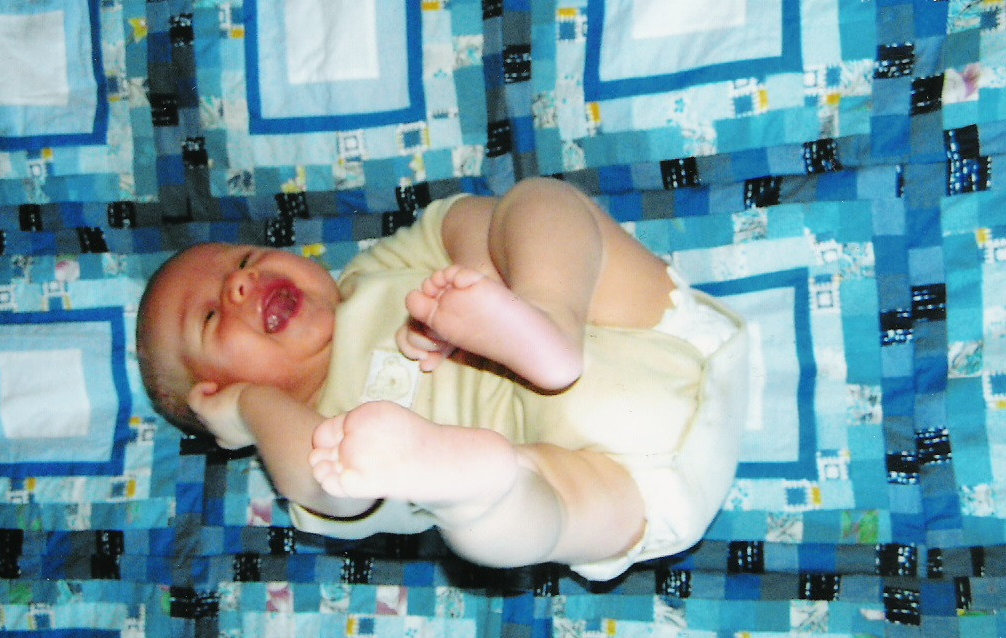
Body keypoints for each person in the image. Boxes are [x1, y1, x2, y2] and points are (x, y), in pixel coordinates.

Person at [136, 178, 749, 581]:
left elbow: (460, 220)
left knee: (537, 204)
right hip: (620, 483)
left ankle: (545, 316)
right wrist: (250, 409)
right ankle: (477, 484)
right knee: (503, 519)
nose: (240, 283)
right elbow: (323, 484)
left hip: (640, 328)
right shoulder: (320, 437)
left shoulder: (374, 275)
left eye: (243, 260)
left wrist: (474, 287)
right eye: (210, 316)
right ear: (214, 394)